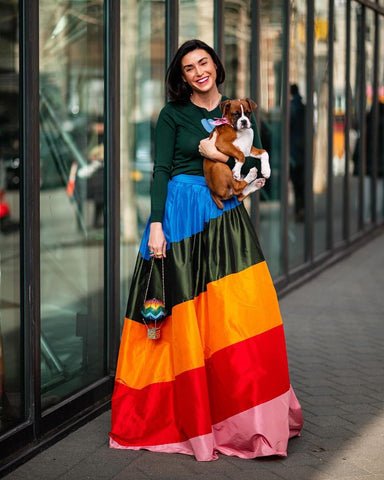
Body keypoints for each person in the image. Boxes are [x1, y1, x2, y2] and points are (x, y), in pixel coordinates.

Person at [109, 39, 303, 462]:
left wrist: (232, 163)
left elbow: (250, 165)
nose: (198, 71)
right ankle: (193, 419)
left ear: (216, 64)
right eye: (188, 68)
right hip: (179, 217)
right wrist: (156, 224)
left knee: (238, 315)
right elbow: (161, 170)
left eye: (204, 62)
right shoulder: (172, 115)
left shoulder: (239, 112)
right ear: (182, 77)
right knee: (182, 322)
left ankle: (244, 419)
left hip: (225, 215)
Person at [289, 84, 306, 222]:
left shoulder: (291, 108)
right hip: (303, 151)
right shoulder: (303, 107)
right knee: (302, 183)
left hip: (294, 152)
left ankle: (298, 212)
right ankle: (303, 210)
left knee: (296, 184)